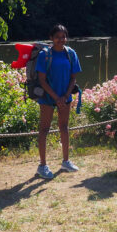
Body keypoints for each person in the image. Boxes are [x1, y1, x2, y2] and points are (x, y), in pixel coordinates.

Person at [35, 24, 82, 179]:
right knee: (44, 129)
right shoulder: (44, 55)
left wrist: (65, 96)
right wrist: (56, 97)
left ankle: (66, 161)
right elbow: (42, 80)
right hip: (48, 98)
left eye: (63, 37)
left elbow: (73, 77)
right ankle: (42, 166)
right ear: (51, 38)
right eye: (57, 37)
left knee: (64, 127)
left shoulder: (71, 53)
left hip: (65, 97)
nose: (61, 40)